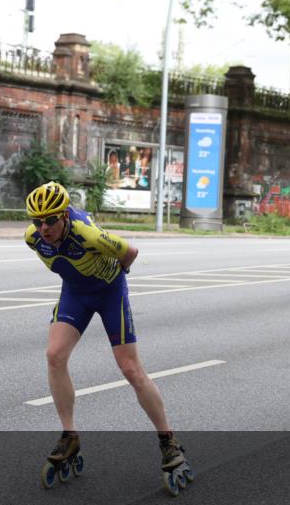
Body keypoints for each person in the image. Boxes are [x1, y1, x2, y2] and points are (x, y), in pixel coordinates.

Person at [23, 181, 185, 479]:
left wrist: (114, 275)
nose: (43, 227)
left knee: (130, 369)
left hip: (110, 293)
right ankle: (69, 436)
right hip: (76, 293)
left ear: (65, 217)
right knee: (54, 356)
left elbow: (130, 252)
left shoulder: (87, 233)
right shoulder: (33, 239)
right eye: (37, 221)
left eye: (50, 220)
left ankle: (169, 441)